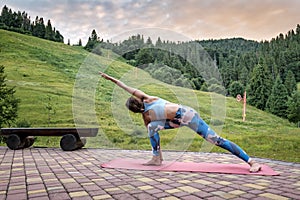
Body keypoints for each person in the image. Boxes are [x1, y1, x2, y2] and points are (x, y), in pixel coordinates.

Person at [99, 71, 262, 172]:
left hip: (189, 116)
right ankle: (157, 159)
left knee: (217, 140)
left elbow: (124, 85)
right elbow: (154, 137)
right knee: (151, 129)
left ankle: (252, 162)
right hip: (179, 121)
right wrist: (158, 154)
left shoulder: (147, 98)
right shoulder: (146, 117)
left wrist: (110, 78)